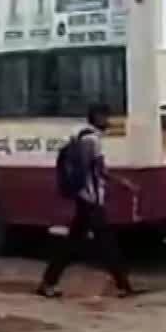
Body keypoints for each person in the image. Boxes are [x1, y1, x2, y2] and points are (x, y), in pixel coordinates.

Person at [39, 102, 135, 299]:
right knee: (107, 244)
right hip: (91, 200)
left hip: (83, 198)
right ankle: (123, 286)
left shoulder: (79, 134)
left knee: (72, 244)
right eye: (106, 117)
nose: (108, 121)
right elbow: (98, 170)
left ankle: (48, 282)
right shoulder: (92, 140)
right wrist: (123, 183)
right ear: (98, 117)